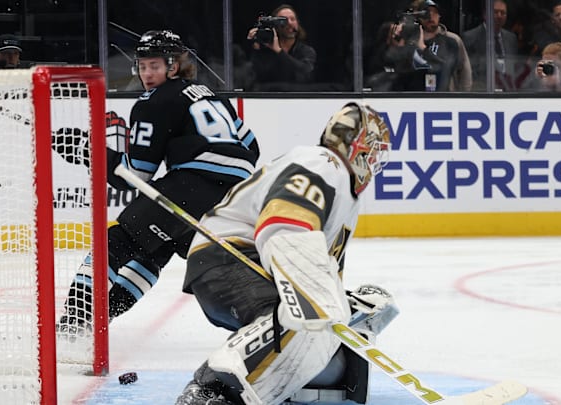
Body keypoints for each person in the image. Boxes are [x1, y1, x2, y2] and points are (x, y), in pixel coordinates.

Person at [174, 102, 398, 405]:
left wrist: (346, 306)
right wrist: (312, 298)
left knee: (325, 320)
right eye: (372, 151)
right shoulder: (323, 163)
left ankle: (284, 388)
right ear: (356, 145)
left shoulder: (342, 188)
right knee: (306, 319)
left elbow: (320, 266)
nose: (374, 161)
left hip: (248, 263)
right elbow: (283, 224)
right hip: (229, 256)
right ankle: (211, 389)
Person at [55, 30, 260, 334]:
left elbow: (135, 176)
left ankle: (74, 322)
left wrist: (87, 151)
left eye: (155, 66)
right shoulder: (208, 92)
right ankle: (98, 321)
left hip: (193, 185)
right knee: (154, 251)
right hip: (235, 194)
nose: (147, 73)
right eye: (142, 65)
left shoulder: (154, 102)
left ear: (173, 66)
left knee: (116, 242)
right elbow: (251, 147)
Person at [246, 4, 317, 91]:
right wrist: (255, 47)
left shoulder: (306, 51)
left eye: (292, 19)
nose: (289, 23)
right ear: (274, 25)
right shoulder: (264, 49)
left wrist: (279, 51)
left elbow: (305, 74)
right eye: (283, 20)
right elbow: (253, 80)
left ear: (298, 23)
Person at [411, 0, 473, 91]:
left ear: (439, 15)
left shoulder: (452, 40)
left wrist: (464, 98)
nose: (431, 16)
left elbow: (465, 71)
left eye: (435, 13)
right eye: (427, 13)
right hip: (416, 97)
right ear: (420, 17)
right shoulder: (412, 41)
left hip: (445, 97)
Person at [462, 0, 519, 91]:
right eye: (495, 12)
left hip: (508, 93)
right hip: (482, 92)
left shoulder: (511, 38)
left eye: (503, 13)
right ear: (485, 14)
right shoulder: (470, 37)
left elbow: (514, 69)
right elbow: (468, 71)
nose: (499, 16)